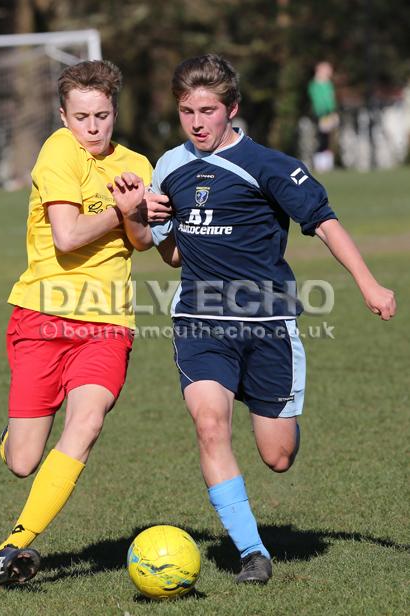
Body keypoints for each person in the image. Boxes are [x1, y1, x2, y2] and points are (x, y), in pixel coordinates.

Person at [144, 54, 396, 584]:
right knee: (210, 425)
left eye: (208, 110)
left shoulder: (269, 165)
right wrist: (148, 217)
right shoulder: (167, 167)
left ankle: (266, 408)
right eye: (187, 110)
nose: (196, 122)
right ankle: (252, 553)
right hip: (200, 320)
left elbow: (324, 223)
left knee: (277, 456)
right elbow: (171, 256)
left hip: (268, 324)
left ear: (231, 110)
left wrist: (368, 282)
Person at [0, 60, 169, 588]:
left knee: (87, 422)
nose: (93, 127)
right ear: (64, 116)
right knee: (22, 461)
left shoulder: (136, 163)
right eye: (82, 116)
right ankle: (15, 437)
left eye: (103, 116)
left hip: (108, 320)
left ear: (115, 113)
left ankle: (14, 545)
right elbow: (66, 236)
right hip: (42, 315)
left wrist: (137, 214)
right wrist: (123, 207)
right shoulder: (58, 150)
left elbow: (141, 242)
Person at [307, 61, 339, 172]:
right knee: (322, 139)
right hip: (321, 115)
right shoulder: (315, 85)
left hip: (329, 114)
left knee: (328, 139)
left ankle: (327, 164)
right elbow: (319, 102)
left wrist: (333, 112)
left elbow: (331, 100)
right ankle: (320, 164)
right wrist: (323, 114)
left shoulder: (328, 84)